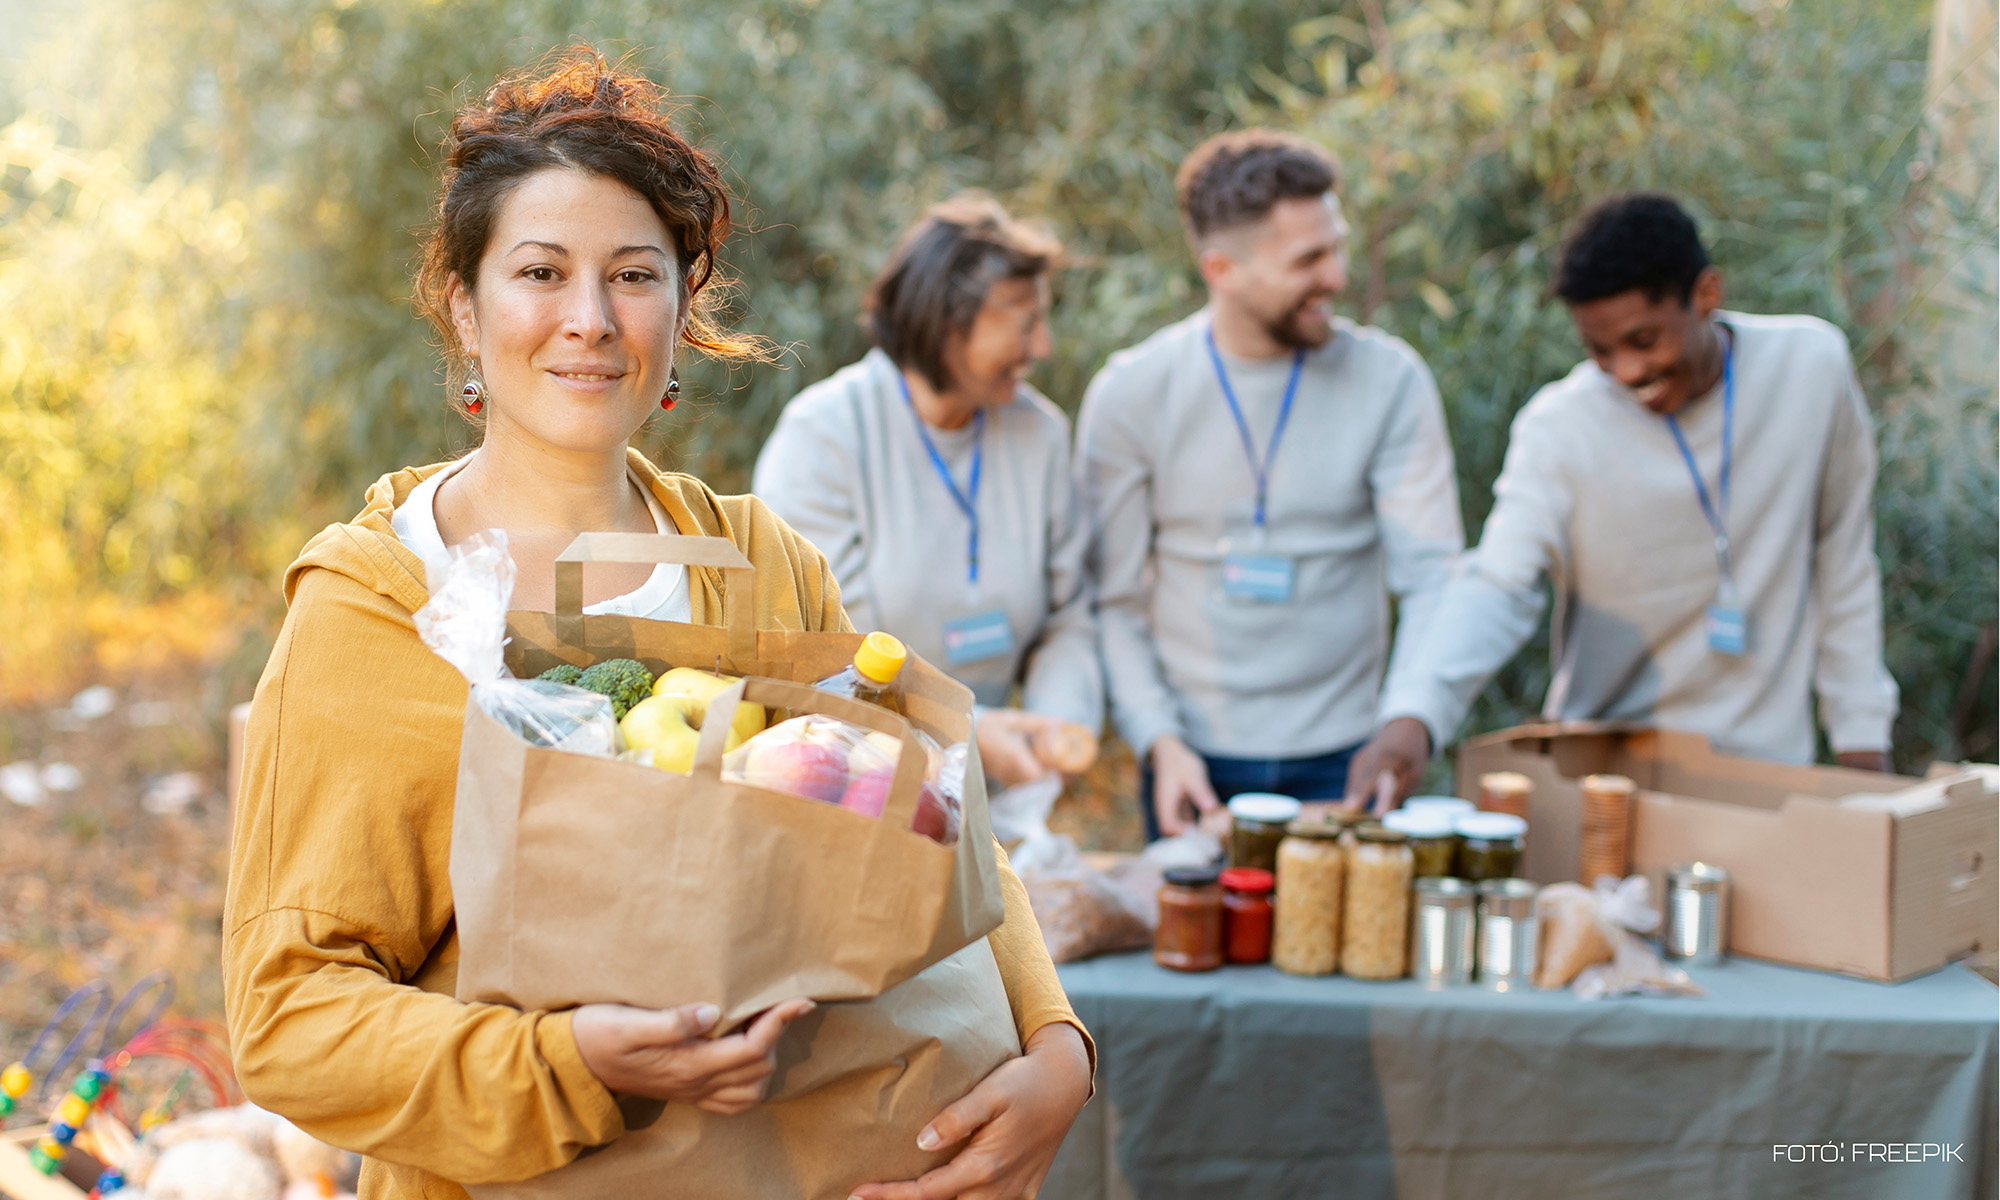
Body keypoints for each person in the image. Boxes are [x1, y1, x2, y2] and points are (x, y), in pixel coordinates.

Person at [222, 50, 1091, 1200]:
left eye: (634, 276)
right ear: (464, 309)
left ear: (683, 310)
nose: (588, 320)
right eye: (540, 271)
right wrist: (565, 1063)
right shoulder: (375, 610)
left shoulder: (759, 566)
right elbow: (291, 1019)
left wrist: (1055, 1043)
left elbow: (928, 817)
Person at [1353, 193, 1899, 805]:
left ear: (1706, 295)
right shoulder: (1561, 427)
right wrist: (1414, 717)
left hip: (1766, 773)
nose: (1626, 371)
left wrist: (1861, 744)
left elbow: (1844, 561)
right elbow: (1497, 586)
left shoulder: (1810, 369)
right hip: (1608, 778)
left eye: (1644, 340)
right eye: (1599, 349)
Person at [1076, 129, 1465, 839]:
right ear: (1221, 268)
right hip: (1193, 764)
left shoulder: (1390, 381)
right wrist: (1158, 740)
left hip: (1350, 758)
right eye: (1309, 259)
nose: (1338, 277)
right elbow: (1114, 601)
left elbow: (1435, 575)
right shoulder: (1133, 393)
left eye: (1337, 246)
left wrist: (1413, 715)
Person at [754, 195, 1103, 787]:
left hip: (1006, 783)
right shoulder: (824, 437)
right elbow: (824, 652)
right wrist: (969, 731)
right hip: (861, 775)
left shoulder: (1038, 434)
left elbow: (1068, 620)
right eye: (1023, 319)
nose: (1041, 347)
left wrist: (1055, 731)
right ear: (944, 319)